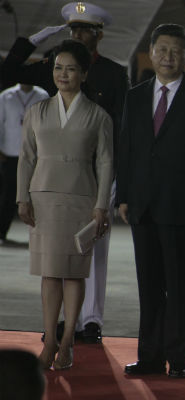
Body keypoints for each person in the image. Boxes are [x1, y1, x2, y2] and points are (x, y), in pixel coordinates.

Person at [1, 1, 129, 344]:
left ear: (99, 35)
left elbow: (121, 132)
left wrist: (117, 185)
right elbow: (8, 73)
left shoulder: (115, 74)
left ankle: (91, 320)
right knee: (54, 262)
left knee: (91, 252)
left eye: (85, 30)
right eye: (74, 29)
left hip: (96, 173)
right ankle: (64, 323)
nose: (79, 34)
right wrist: (31, 41)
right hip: (52, 183)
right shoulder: (52, 65)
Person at [117, 23, 185, 379]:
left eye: (175, 51)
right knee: (148, 285)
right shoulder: (135, 96)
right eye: (161, 50)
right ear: (151, 52)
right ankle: (149, 356)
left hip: (184, 205)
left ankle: (178, 358)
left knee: (179, 285)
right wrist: (124, 196)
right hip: (143, 205)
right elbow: (127, 150)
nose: (167, 57)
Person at [16, 39, 113, 370]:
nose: (63, 74)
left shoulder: (98, 115)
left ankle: (69, 339)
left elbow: (105, 163)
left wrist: (102, 205)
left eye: (71, 69)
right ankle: (50, 340)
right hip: (43, 199)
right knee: (49, 274)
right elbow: (26, 158)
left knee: (73, 274)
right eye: (58, 67)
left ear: (84, 74)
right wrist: (21, 197)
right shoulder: (36, 112)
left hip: (81, 201)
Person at [0, 84, 48, 246]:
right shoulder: (6, 96)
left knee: (37, 196)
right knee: (8, 196)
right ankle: (1, 233)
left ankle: (38, 234)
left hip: (36, 153)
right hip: (10, 152)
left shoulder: (42, 95)